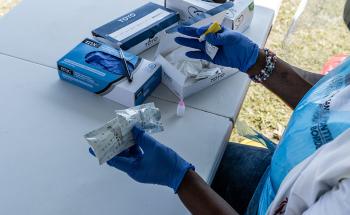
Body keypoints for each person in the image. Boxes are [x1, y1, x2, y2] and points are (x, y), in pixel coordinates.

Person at [89, 1, 350, 214]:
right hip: (279, 173)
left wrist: (181, 179)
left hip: (282, 201)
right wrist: (257, 62)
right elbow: (331, 95)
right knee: (198, 150)